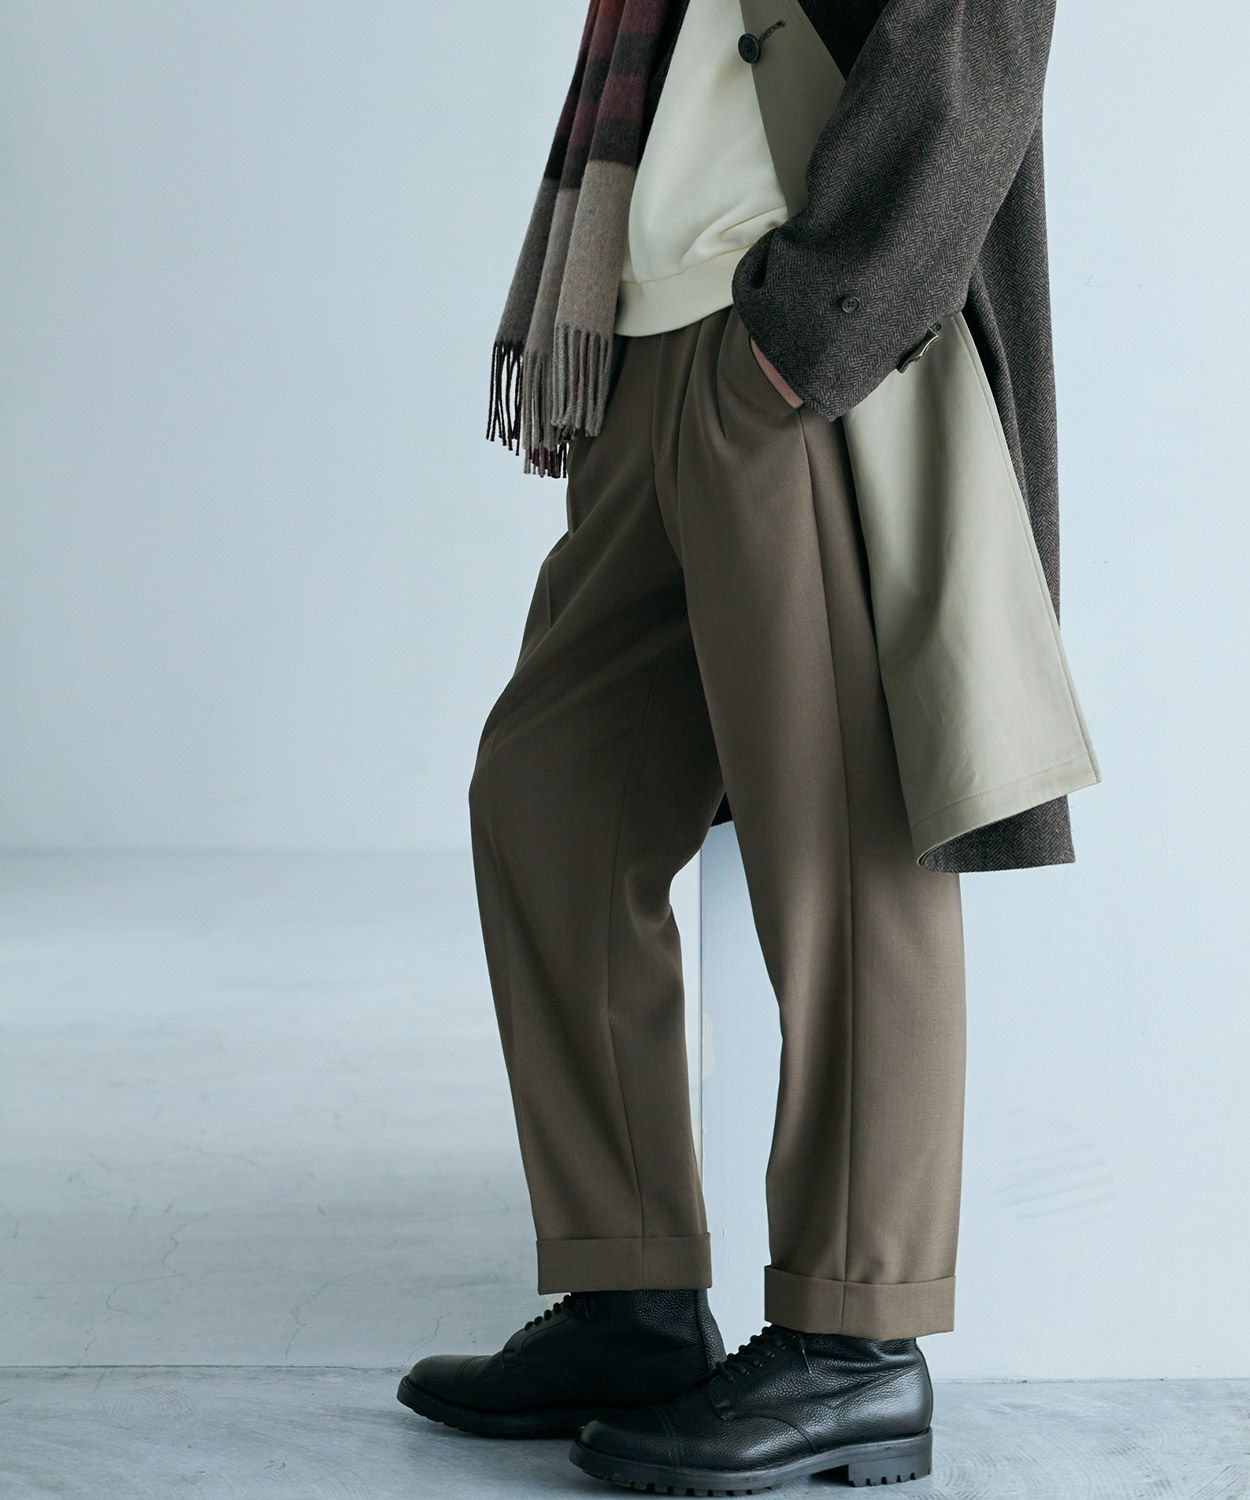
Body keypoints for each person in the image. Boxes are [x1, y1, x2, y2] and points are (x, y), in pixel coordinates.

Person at [399, 0, 1100, 1490]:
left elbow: (970, 49)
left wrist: (813, 329)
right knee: (547, 800)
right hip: (648, 335)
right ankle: (629, 1292)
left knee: (842, 842)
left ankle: (857, 1341)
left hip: (791, 348)